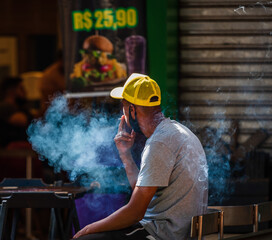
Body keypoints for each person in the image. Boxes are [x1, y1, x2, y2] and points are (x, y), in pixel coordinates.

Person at [73, 73, 208, 240]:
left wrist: (88, 229)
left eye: (123, 106)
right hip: (173, 231)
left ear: (131, 109)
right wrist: (125, 155)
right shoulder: (174, 132)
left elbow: (135, 212)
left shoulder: (159, 143)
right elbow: (143, 190)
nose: (121, 114)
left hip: (161, 234)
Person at [0, 76, 32, 148]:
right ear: (11, 91)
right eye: (21, 89)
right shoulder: (3, 108)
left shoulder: (19, 108)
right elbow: (22, 121)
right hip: (8, 153)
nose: (25, 92)